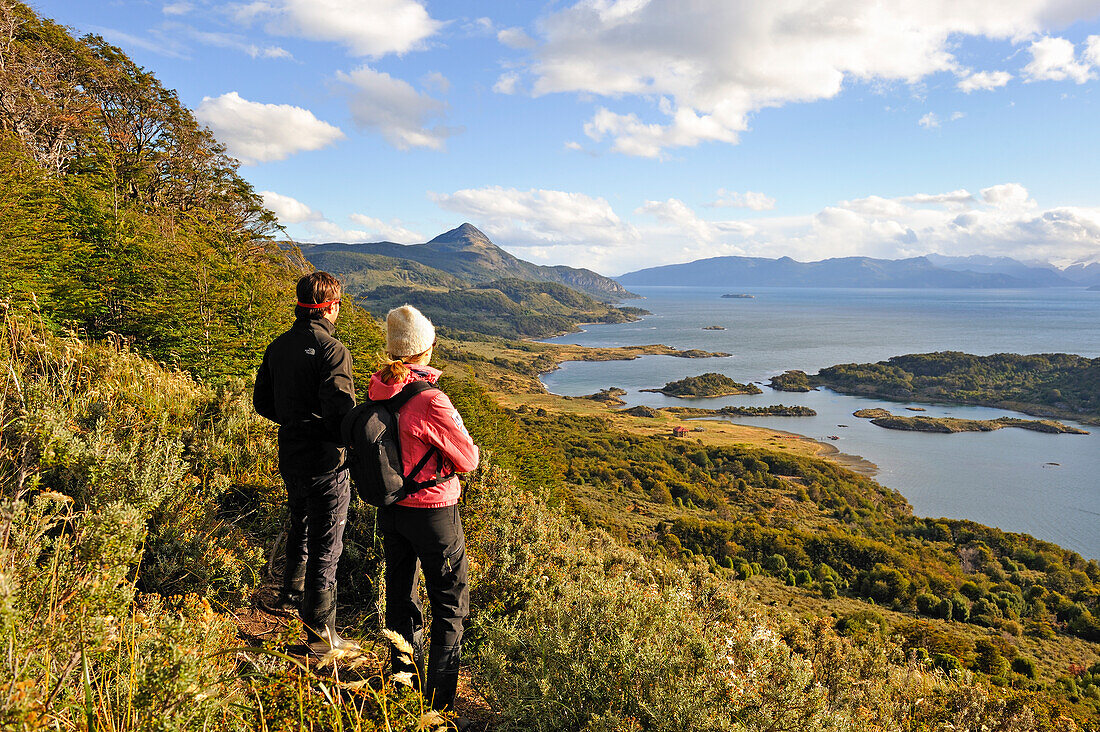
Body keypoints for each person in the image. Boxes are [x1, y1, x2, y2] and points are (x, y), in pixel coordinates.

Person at [370, 305, 479, 712]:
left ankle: (401, 681)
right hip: (434, 511)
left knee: (401, 592)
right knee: (450, 605)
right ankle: (439, 706)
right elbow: (468, 458)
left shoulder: (379, 387)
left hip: (392, 506)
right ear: (424, 348)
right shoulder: (433, 400)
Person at [253, 271, 357, 653]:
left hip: (291, 452)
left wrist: (294, 421)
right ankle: (321, 639)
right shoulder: (333, 350)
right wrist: (350, 441)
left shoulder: (279, 345)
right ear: (331, 306)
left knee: (300, 523)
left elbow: (262, 402)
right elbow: (340, 413)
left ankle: (289, 595)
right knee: (328, 543)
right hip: (326, 462)